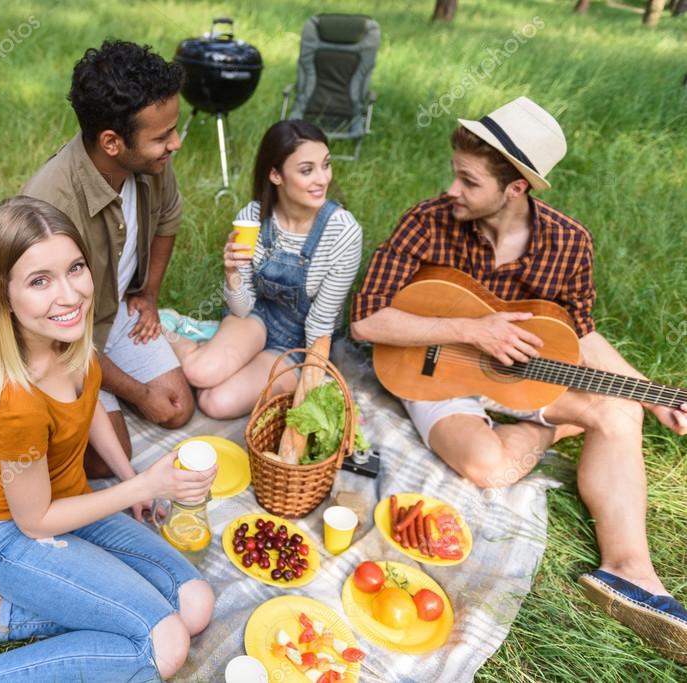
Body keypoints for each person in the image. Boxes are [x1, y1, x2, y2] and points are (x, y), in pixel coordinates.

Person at [350, 97, 687, 663]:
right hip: (436, 368)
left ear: (515, 190)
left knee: (619, 410)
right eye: (454, 172)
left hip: (523, 374)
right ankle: (554, 434)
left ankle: (629, 575)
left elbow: (581, 336)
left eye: (468, 180)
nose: (451, 188)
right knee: (489, 466)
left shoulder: (568, 242)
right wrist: (474, 329)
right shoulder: (427, 220)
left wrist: (658, 398)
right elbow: (366, 319)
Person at [0, 197, 216, 683]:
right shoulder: (14, 402)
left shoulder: (67, 340)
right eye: (39, 281)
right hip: (6, 532)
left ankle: (1, 614)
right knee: (164, 644)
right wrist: (144, 487)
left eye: (75, 269)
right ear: (1, 296)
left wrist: (130, 476)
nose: (69, 296)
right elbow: (35, 520)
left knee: (195, 604)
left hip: (72, 505)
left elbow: (86, 412)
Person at [22, 40, 194, 479]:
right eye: (161, 137)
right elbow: (53, 336)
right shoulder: (49, 204)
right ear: (112, 142)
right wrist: (137, 392)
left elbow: (168, 220)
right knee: (102, 460)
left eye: (173, 129)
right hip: (59, 337)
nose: (174, 143)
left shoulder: (152, 162)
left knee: (177, 410)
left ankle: (108, 394)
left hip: (110, 313)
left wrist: (149, 295)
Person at [167, 120, 363, 419]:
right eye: (307, 170)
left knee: (215, 403)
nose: (322, 179)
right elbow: (242, 308)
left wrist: (311, 386)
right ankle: (168, 332)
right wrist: (232, 272)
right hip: (255, 317)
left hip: (300, 342)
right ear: (275, 175)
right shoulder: (252, 219)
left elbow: (321, 323)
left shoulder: (343, 233)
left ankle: (218, 350)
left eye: (326, 165)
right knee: (198, 372)